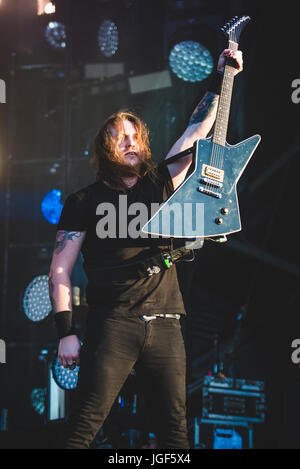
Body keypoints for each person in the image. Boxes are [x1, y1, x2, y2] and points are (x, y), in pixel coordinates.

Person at [48, 48, 243, 449]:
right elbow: (61, 269)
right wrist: (65, 332)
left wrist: (223, 78)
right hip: (113, 323)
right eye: (121, 138)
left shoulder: (160, 182)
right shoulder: (83, 201)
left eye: (136, 136)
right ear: (106, 146)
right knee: (84, 427)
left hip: (167, 324)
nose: (131, 143)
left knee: (175, 432)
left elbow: (196, 128)